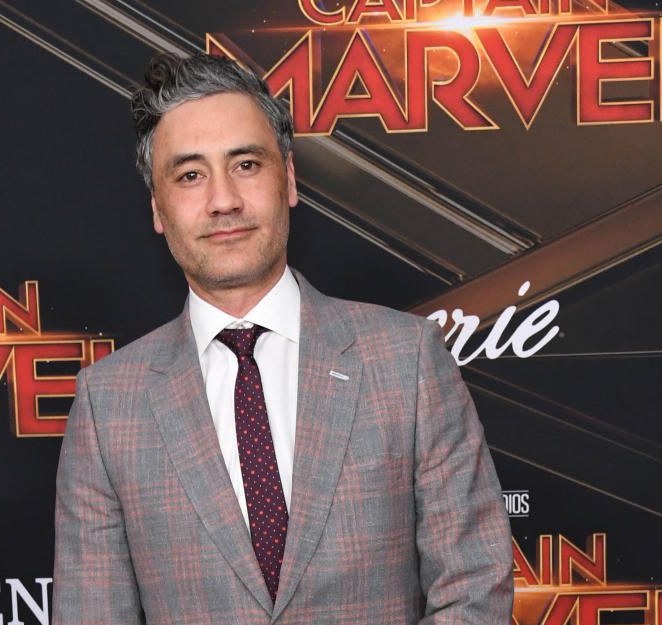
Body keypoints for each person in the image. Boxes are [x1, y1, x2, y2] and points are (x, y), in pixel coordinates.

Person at [52, 52, 512, 624]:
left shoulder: (407, 359)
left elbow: (473, 587)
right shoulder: (107, 405)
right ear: (158, 208)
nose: (224, 200)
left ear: (288, 179)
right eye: (190, 175)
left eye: (246, 164)